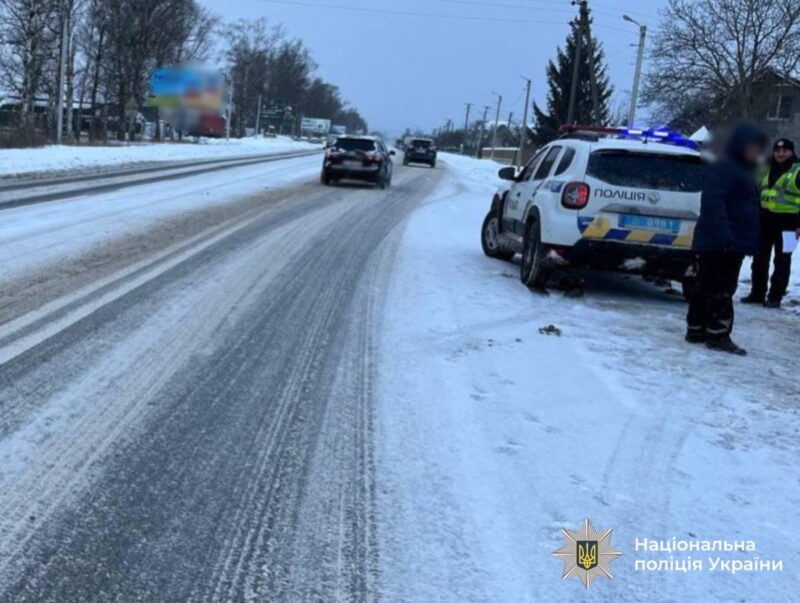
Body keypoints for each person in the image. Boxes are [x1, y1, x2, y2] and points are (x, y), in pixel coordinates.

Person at [686, 123, 768, 356]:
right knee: (721, 288)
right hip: (723, 241)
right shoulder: (727, 167)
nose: (757, 151)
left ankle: (697, 329)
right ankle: (718, 334)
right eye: (753, 146)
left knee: (707, 285)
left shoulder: (738, 168)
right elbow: (713, 201)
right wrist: (725, 236)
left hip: (723, 239)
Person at [741, 138, 800, 308]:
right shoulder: (765, 168)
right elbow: (756, 191)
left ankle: (775, 296)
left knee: (782, 261)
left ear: (791, 152)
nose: (780, 154)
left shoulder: (798, 170)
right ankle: (757, 293)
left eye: (784, 151)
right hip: (765, 221)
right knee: (759, 259)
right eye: (777, 150)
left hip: (790, 223)